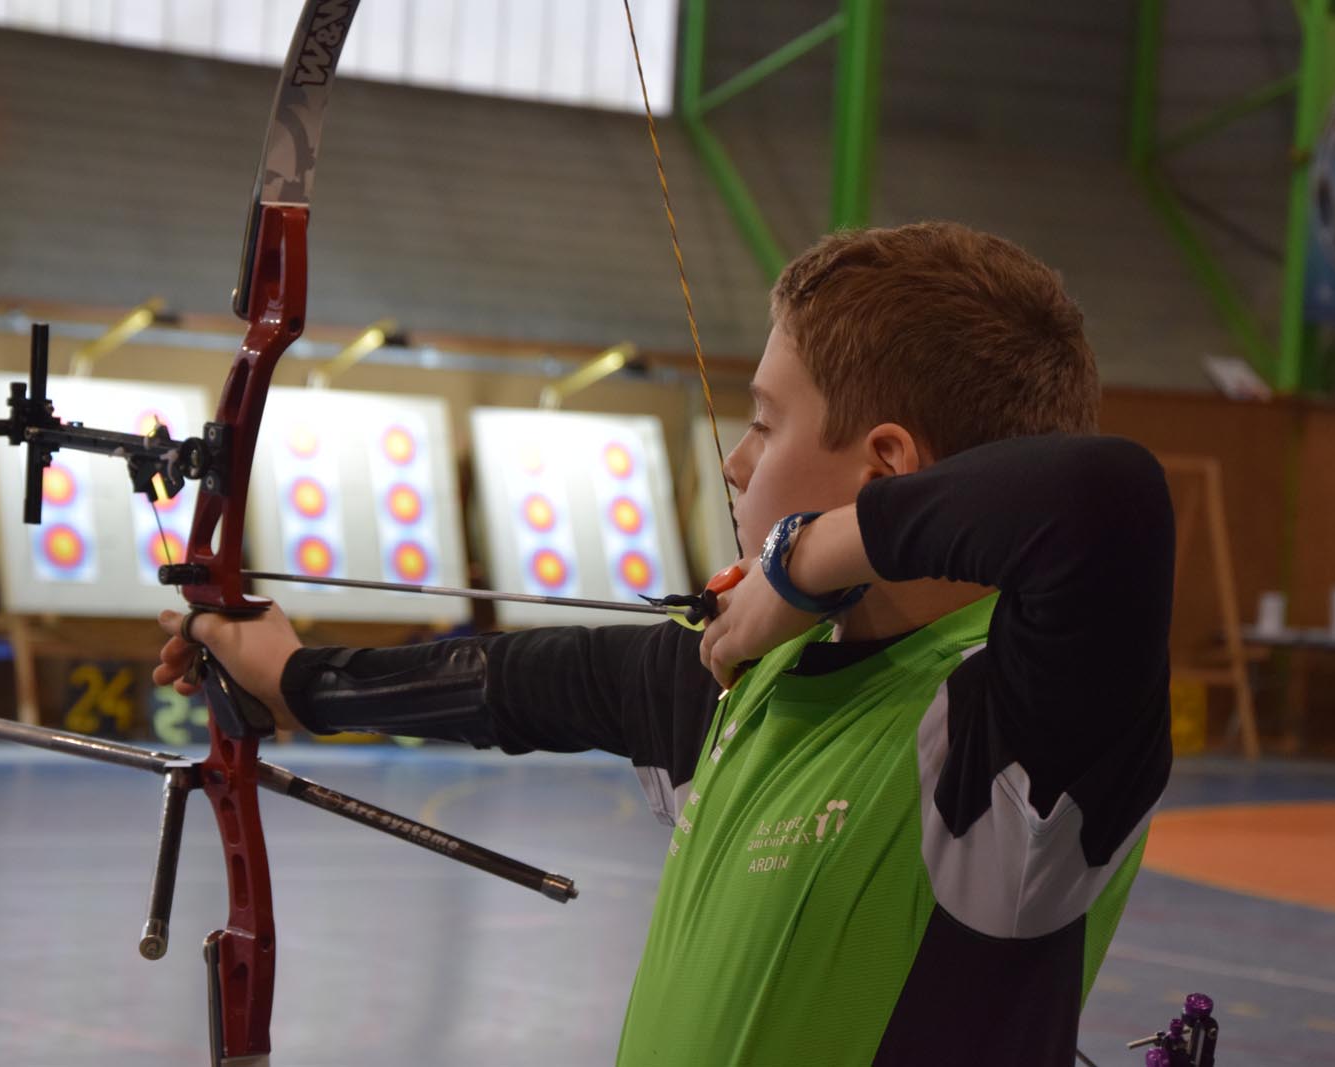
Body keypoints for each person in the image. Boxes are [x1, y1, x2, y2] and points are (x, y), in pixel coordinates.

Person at [155, 222, 1175, 1066]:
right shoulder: (745, 679)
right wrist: (297, 678)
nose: (736, 461)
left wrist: (803, 559)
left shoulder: (1015, 731)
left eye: (766, 423)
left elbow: (1105, 498)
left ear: (884, 473)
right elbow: (507, 684)